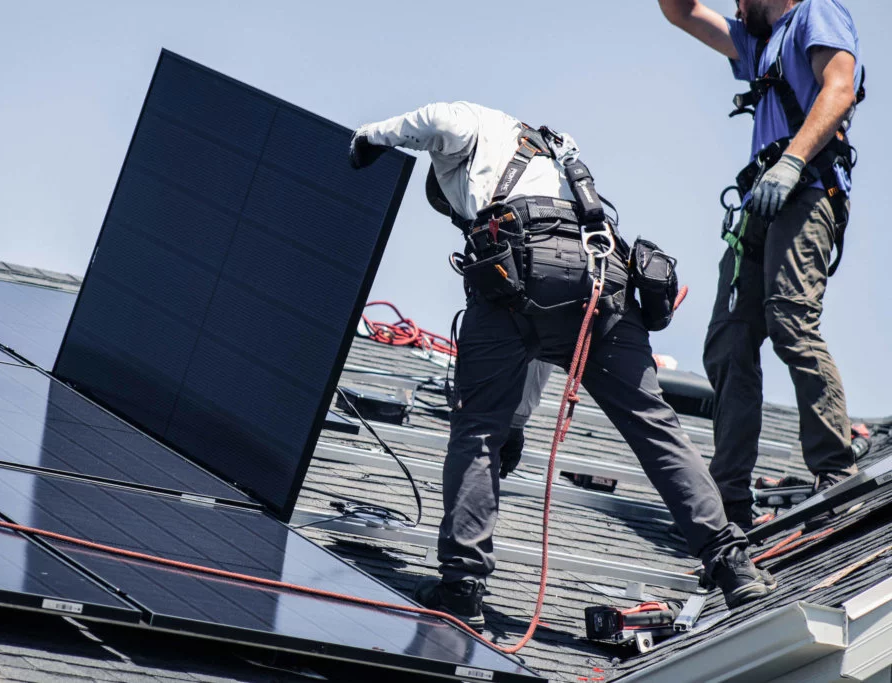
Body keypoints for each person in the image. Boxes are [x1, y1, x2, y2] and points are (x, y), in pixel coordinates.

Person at [349, 102, 775, 627]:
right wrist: (520, 423)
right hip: (602, 283)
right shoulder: (556, 154)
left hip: (520, 273)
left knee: (477, 430)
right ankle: (734, 568)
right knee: (654, 427)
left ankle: (462, 587)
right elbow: (543, 337)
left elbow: (439, 121)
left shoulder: (475, 124)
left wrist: (372, 137)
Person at [658, 0, 862, 531]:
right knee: (728, 340)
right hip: (761, 202)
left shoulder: (816, 13)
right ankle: (728, 497)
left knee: (790, 318)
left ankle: (835, 471)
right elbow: (680, 12)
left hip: (807, 190)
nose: (734, 4)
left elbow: (840, 85)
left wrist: (792, 162)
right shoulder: (758, 41)